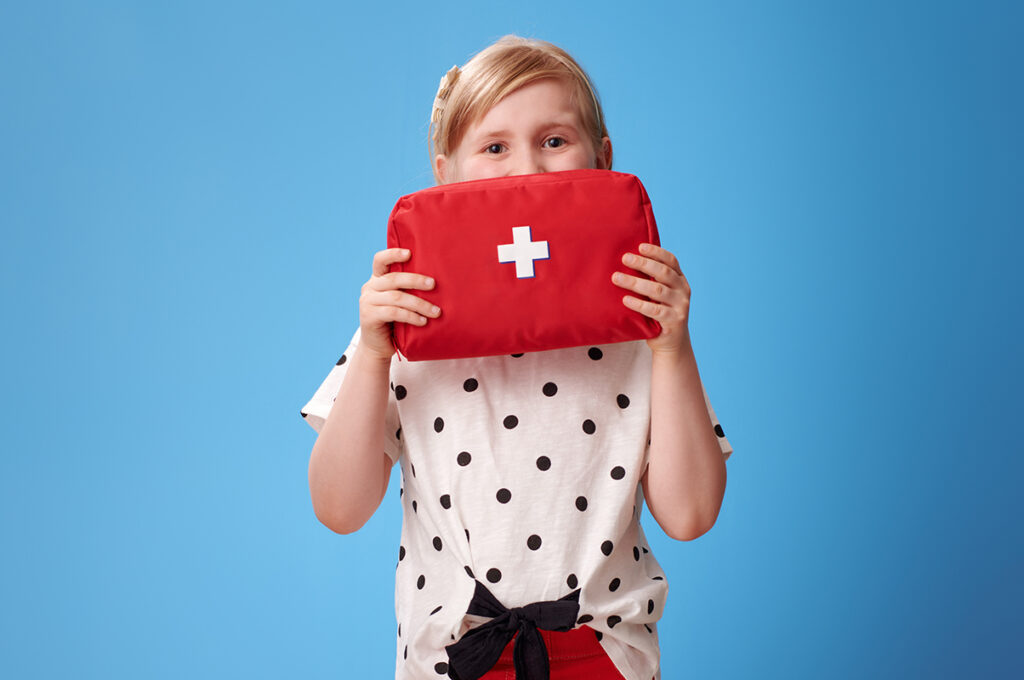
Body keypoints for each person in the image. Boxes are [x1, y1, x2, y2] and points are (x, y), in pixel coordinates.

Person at [300, 35, 733, 680]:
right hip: (452, 657)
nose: (526, 168)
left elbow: (691, 514)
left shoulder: (637, 329)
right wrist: (371, 350)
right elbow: (338, 508)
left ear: (603, 159)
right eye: (495, 147)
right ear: (446, 174)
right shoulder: (410, 325)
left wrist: (672, 346)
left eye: (554, 140)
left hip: (604, 654)